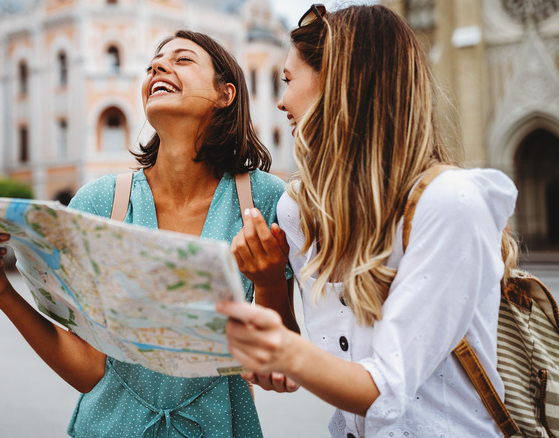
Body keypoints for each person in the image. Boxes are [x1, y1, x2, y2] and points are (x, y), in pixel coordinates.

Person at [0, 30, 288, 437]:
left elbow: (280, 358)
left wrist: (268, 283)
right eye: (154, 63)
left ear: (225, 94)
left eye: (182, 60)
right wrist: (1, 290)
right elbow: (89, 369)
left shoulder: (263, 199)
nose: (158, 66)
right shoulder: (99, 201)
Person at [217, 4, 519, 437]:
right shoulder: (300, 209)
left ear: (341, 82)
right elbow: (307, 369)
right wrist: (267, 292)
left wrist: (285, 352)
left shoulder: (449, 202)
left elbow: (387, 387)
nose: (281, 101)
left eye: (288, 80)